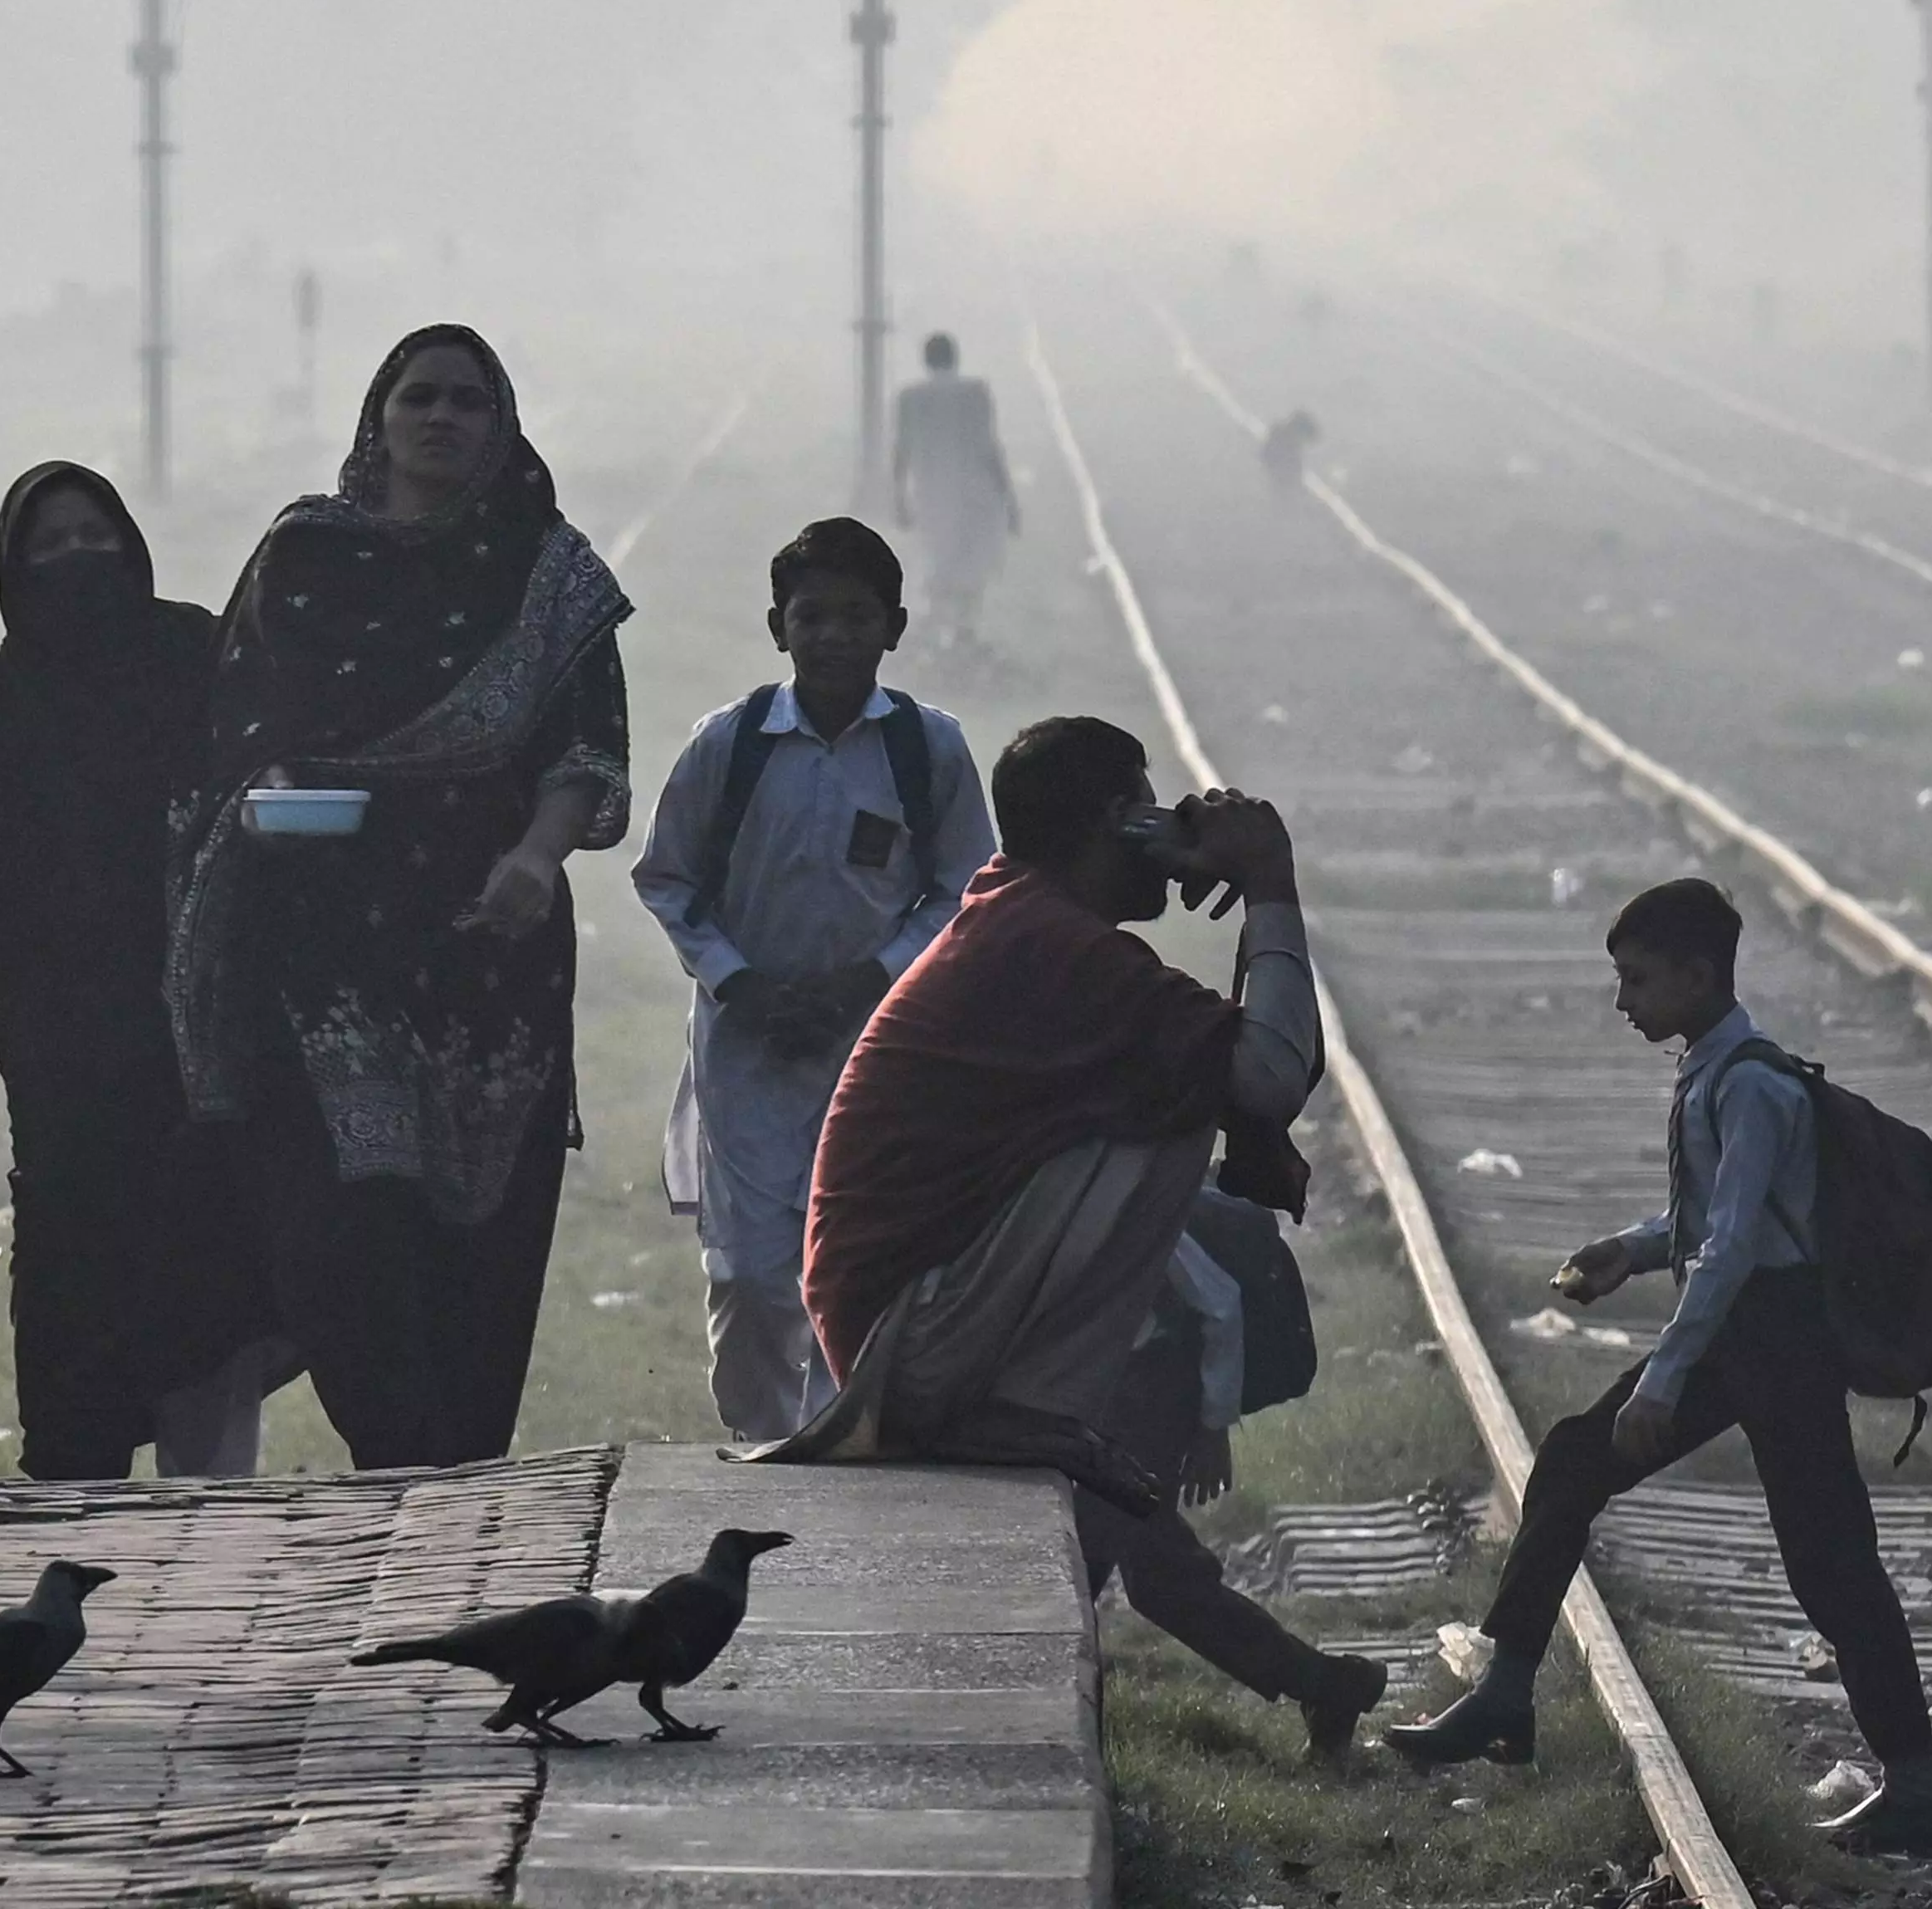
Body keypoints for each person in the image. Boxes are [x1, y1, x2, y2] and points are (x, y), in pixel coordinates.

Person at [770, 720, 1384, 1756]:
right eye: (1147, 802)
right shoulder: (1054, 944)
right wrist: (1270, 883)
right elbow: (1270, 1072)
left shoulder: (1025, 920)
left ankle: (1028, 1406)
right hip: (914, 1343)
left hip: (912, 1321)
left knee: (1181, 1073)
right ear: (1119, 819)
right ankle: (1026, 1400)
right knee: (1189, 1090)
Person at [1386, 878, 1932, 1859]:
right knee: (1573, 1465)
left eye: (1637, 979)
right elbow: (1708, 1226)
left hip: (1772, 1336)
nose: (1623, 1001)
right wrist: (1633, 1248)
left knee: (1831, 1565)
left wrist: (1660, 1380)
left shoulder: (1754, 1085)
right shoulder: (1713, 1069)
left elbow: (1733, 1248)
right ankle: (1506, 1691)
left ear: (1699, 973)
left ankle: (1916, 1792)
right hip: (1752, 1330)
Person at [169, 326, 631, 1470]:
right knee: (341, 1225)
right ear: (376, 417)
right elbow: (232, 730)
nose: (441, 418)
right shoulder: (305, 557)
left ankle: (457, 1471)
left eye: (468, 402)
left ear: (501, 424)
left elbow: (589, 757)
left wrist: (534, 857)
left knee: (475, 1228)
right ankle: (395, 1452)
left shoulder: (550, 574)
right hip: (322, 944)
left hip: (489, 944)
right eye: (418, 397)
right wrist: (268, 790)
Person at [0, 463, 288, 1480]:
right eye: (51, 545)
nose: (78, 559)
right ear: (13, 571)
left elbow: (279, 779)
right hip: (65, 1055)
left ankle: (208, 1538)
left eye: (94, 535)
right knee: (77, 1280)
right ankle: (79, 1506)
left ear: (131, 543)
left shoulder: (195, 658)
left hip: (206, 1040)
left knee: (210, 1281)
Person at [633, 518, 988, 1445]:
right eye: (812, 615)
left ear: (894, 627)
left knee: (853, 1259)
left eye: (856, 615)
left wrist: (874, 976)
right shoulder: (732, 743)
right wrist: (737, 980)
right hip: (746, 1048)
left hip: (876, 1044)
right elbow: (665, 877)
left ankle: (824, 1447)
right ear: (776, 625)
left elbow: (963, 887)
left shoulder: (927, 749)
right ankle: (759, 1437)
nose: (833, 634)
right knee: (750, 1273)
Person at [892, 333, 1020, 643]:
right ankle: (964, 630)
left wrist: (899, 497)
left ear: (926, 359)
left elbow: (902, 450)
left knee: (936, 558)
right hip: (977, 490)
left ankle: (937, 631)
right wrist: (1009, 497)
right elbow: (990, 446)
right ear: (955, 357)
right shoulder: (976, 393)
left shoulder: (910, 397)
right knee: (972, 559)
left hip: (930, 491)